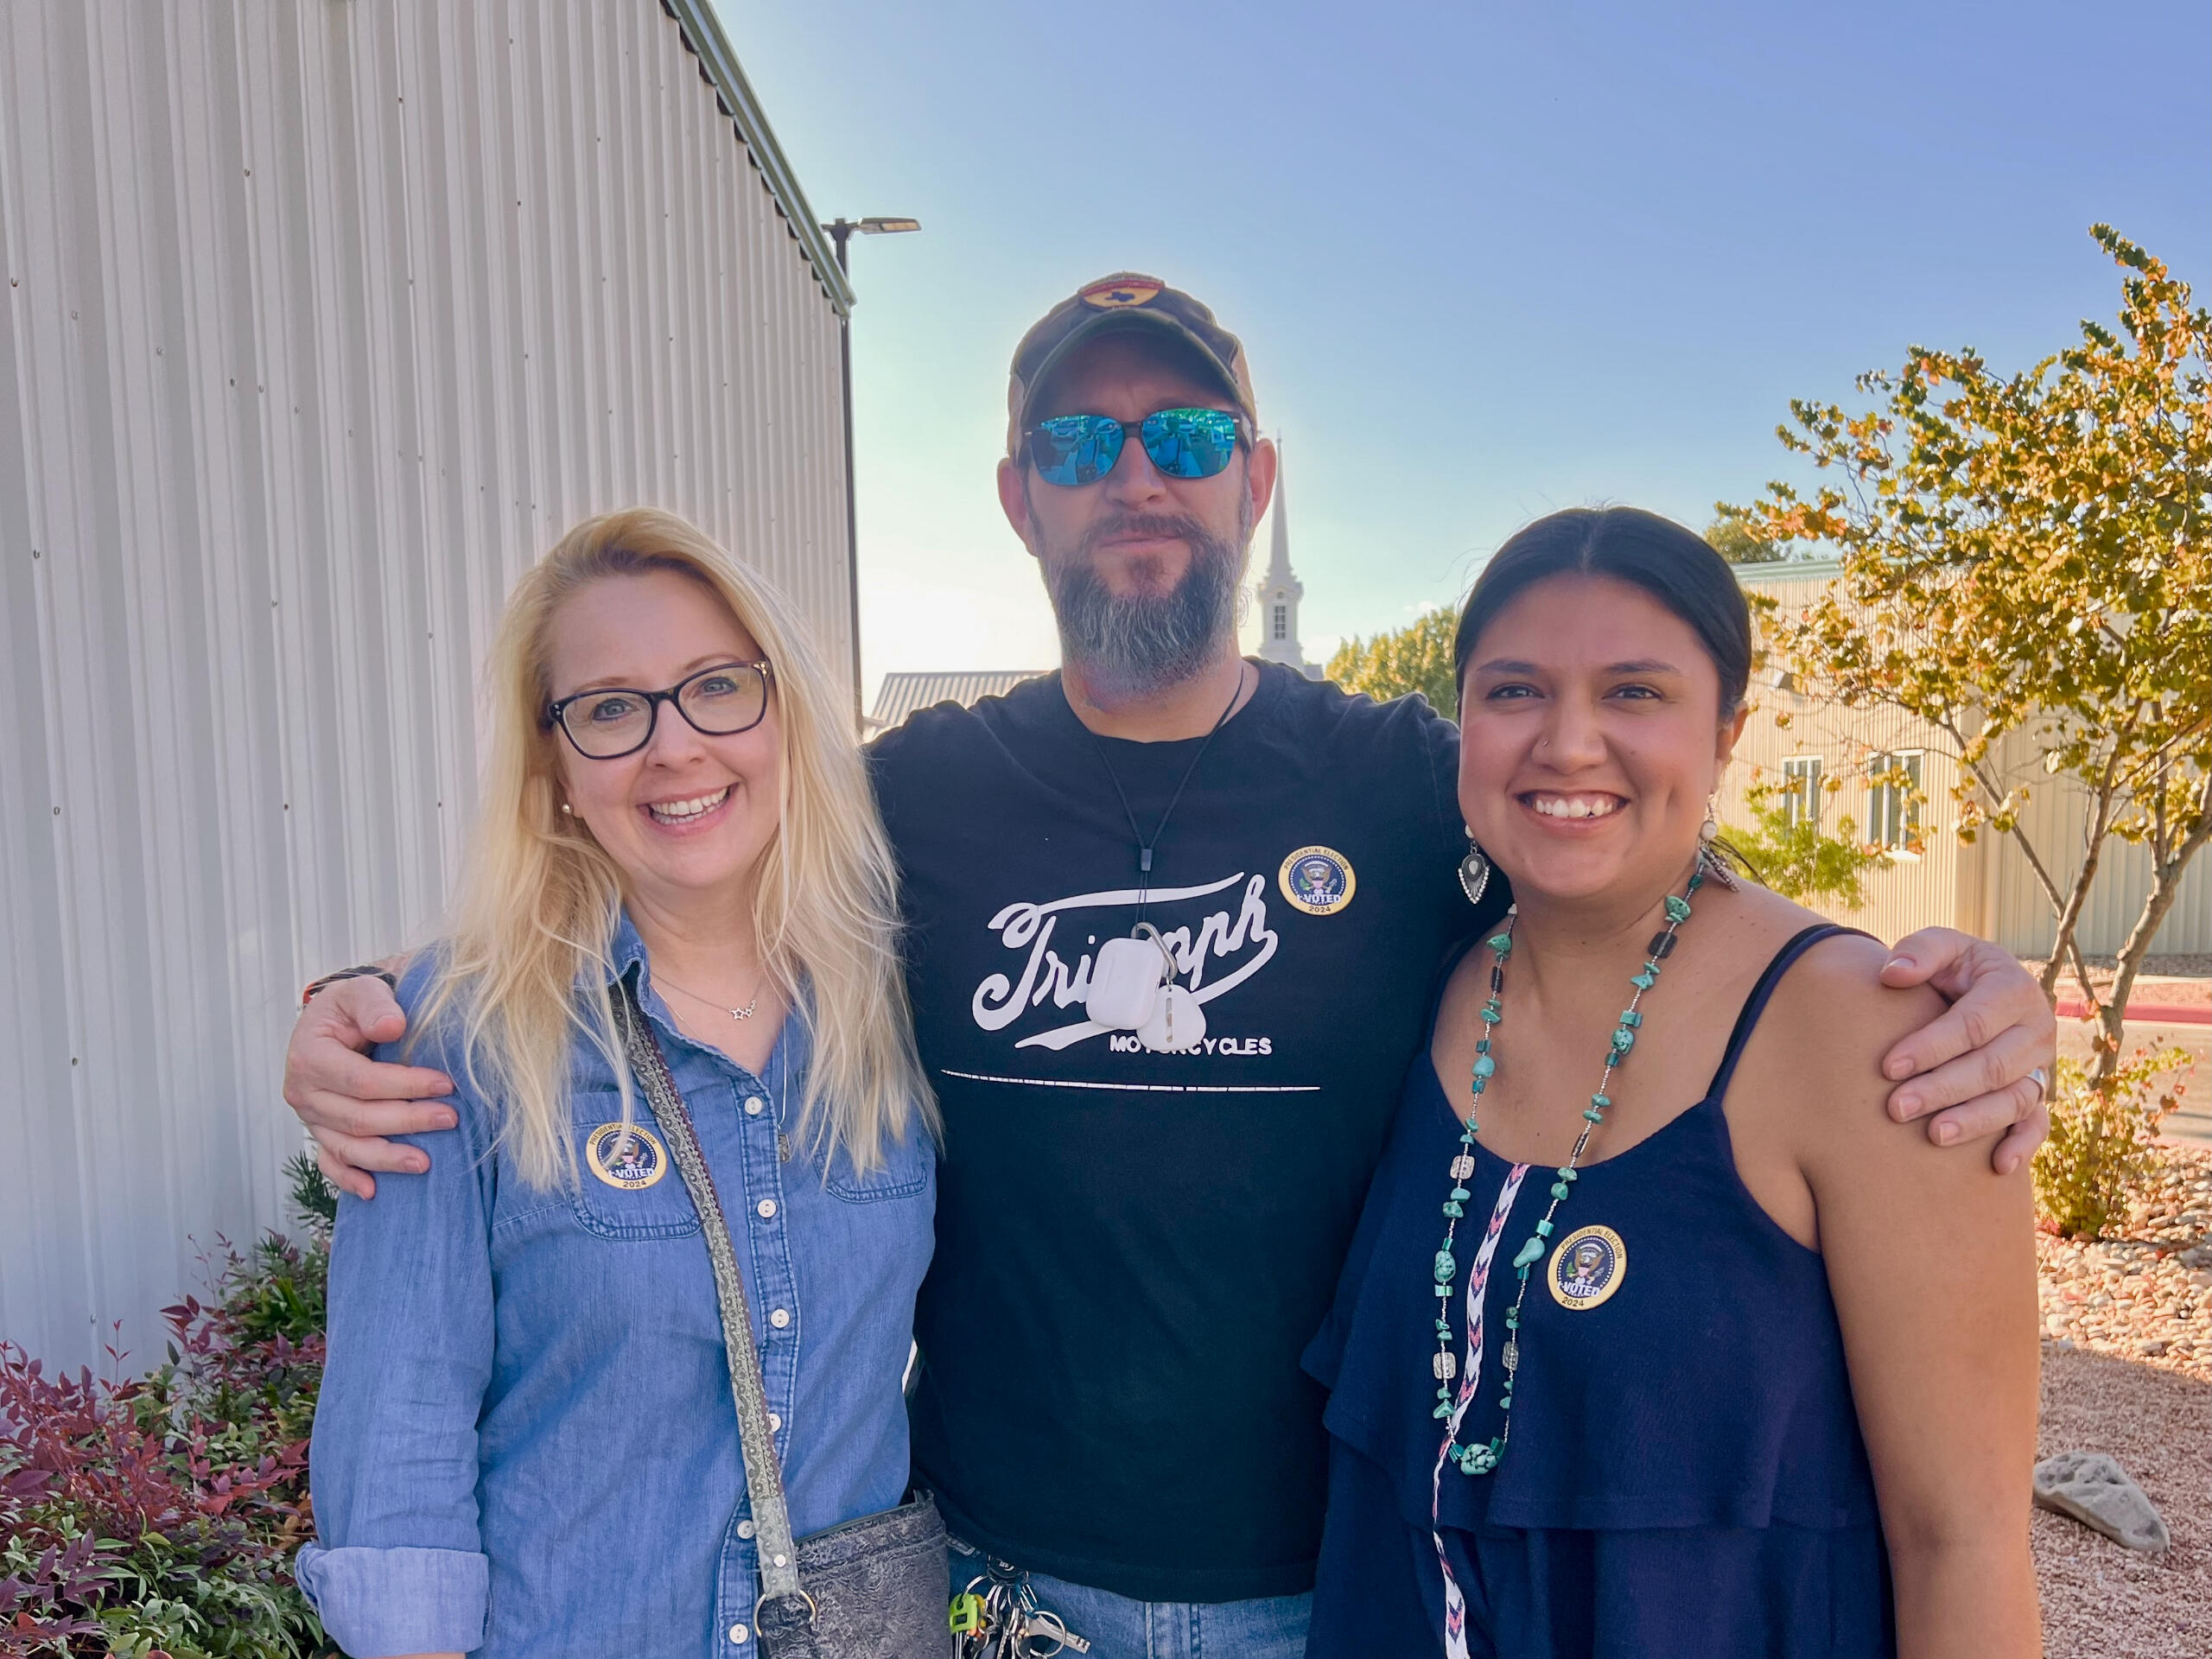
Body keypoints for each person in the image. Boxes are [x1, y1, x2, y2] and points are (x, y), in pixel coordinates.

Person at [281, 277, 2057, 1659]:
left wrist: (1943, 991)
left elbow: (1621, 861)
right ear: (1014, 502)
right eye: (1075, 446)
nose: (1132, 477)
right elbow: (664, 856)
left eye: (1186, 440)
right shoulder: (910, 801)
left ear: (1252, 481)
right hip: (992, 1587)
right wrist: (362, 1007)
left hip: (1329, 1588)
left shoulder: (1395, 777)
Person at [1302, 508, 2039, 1658]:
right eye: (1514, 692)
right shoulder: (1432, 991)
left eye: (1636, 693)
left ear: (1727, 736)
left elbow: (1966, 1541)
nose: (1570, 743)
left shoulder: (1868, 1033)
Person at [294, 510, 938, 1658]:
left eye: (716, 687)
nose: (675, 746)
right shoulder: (461, 1039)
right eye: (610, 710)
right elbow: (399, 1444)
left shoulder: (899, 1008)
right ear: (554, 769)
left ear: (785, 708)